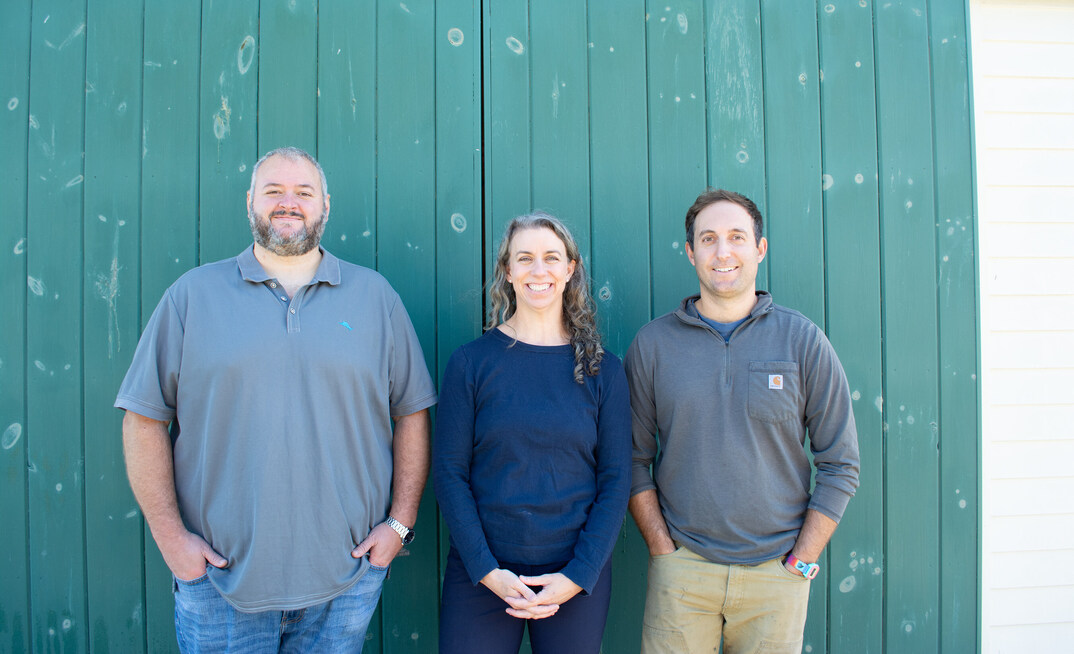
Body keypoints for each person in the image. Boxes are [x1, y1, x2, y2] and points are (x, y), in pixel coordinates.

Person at [115, 146, 437, 653]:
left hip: (345, 581)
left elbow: (412, 413)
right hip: (220, 585)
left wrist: (400, 524)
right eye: (274, 191)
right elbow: (142, 419)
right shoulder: (192, 296)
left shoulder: (376, 298)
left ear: (325, 204)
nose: (289, 203)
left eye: (303, 192)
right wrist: (172, 540)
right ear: (250, 202)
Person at [625, 189, 860, 654]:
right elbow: (631, 459)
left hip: (777, 577)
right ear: (691, 252)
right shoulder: (653, 346)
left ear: (760, 248)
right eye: (708, 239)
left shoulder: (803, 341)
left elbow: (841, 463)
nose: (723, 251)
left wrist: (801, 561)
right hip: (683, 573)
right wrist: (662, 549)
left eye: (737, 237)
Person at [433, 212, 631, 653]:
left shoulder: (605, 371)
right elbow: (449, 473)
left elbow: (616, 480)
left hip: (573, 574)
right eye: (524, 259)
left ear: (569, 269)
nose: (538, 271)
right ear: (508, 270)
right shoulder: (471, 364)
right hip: (482, 573)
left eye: (550, 258)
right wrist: (487, 570)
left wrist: (578, 575)